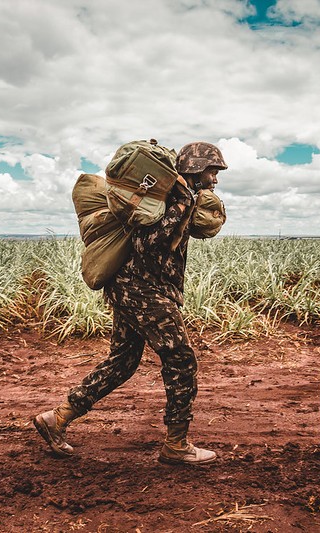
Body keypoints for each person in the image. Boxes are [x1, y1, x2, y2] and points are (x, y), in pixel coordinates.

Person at [32, 141, 228, 465]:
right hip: (142, 291)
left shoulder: (180, 196)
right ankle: (176, 444)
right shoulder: (170, 197)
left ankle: (58, 418)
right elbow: (149, 241)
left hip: (134, 288)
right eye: (212, 170)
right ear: (195, 167)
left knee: (123, 361)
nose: (216, 179)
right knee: (181, 360)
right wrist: (182, 208)